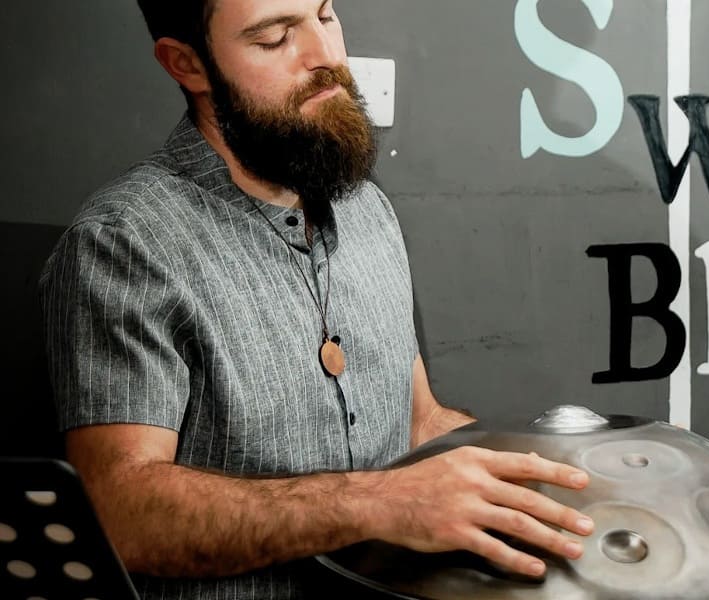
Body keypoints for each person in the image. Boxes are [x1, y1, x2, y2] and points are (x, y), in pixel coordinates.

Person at [38, 0, 594, 598]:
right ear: (187, 65)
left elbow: (416, 421)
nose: (325, 56)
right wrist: (376, 503)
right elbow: (121, 513)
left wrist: (549, 476)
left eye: (325, 16)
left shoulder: (366, 208)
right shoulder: (124, 242)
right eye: (275, 38)